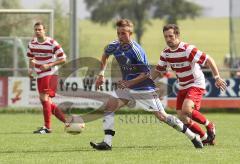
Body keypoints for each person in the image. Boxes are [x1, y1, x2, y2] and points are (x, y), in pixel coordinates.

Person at [90, 19, 203, 150]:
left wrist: (129, 82)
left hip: (143, 88)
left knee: (162, 116)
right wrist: (101, 74)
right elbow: (104, 55)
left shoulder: (137, 50)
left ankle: (193, 137)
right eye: (119, 33)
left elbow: (145, 74)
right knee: (109, 107)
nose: (120, 36)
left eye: (123, 33)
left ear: (130, 33)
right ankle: (107, 143)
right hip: (127, 88)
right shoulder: (114, 45)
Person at [151, 24, 227, 145]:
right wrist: (148, 81)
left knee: (186, 109)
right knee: (182, 117)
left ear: (177, 35)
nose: (168, 39)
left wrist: (217, 77)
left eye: (171, 36)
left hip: (196, 83)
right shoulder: (165, 53)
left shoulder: (187, 49)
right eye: (166, 36)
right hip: (183, 85)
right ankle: (204, 138)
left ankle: (210, 125)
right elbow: (159, 70)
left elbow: (208, 59)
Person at [27, 22, 67, 134]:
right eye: (36, 29)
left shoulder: (52, 43)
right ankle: (67, 121)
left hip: (50, 73)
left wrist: (49, 65)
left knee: (45, 99)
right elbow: (31, 58)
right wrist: (30, 70)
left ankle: (47, 127)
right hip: (40, 75)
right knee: (46, 101)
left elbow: (63, 59)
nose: (37, 31)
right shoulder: (32, 44)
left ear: (44, 30)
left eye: (40, 29)